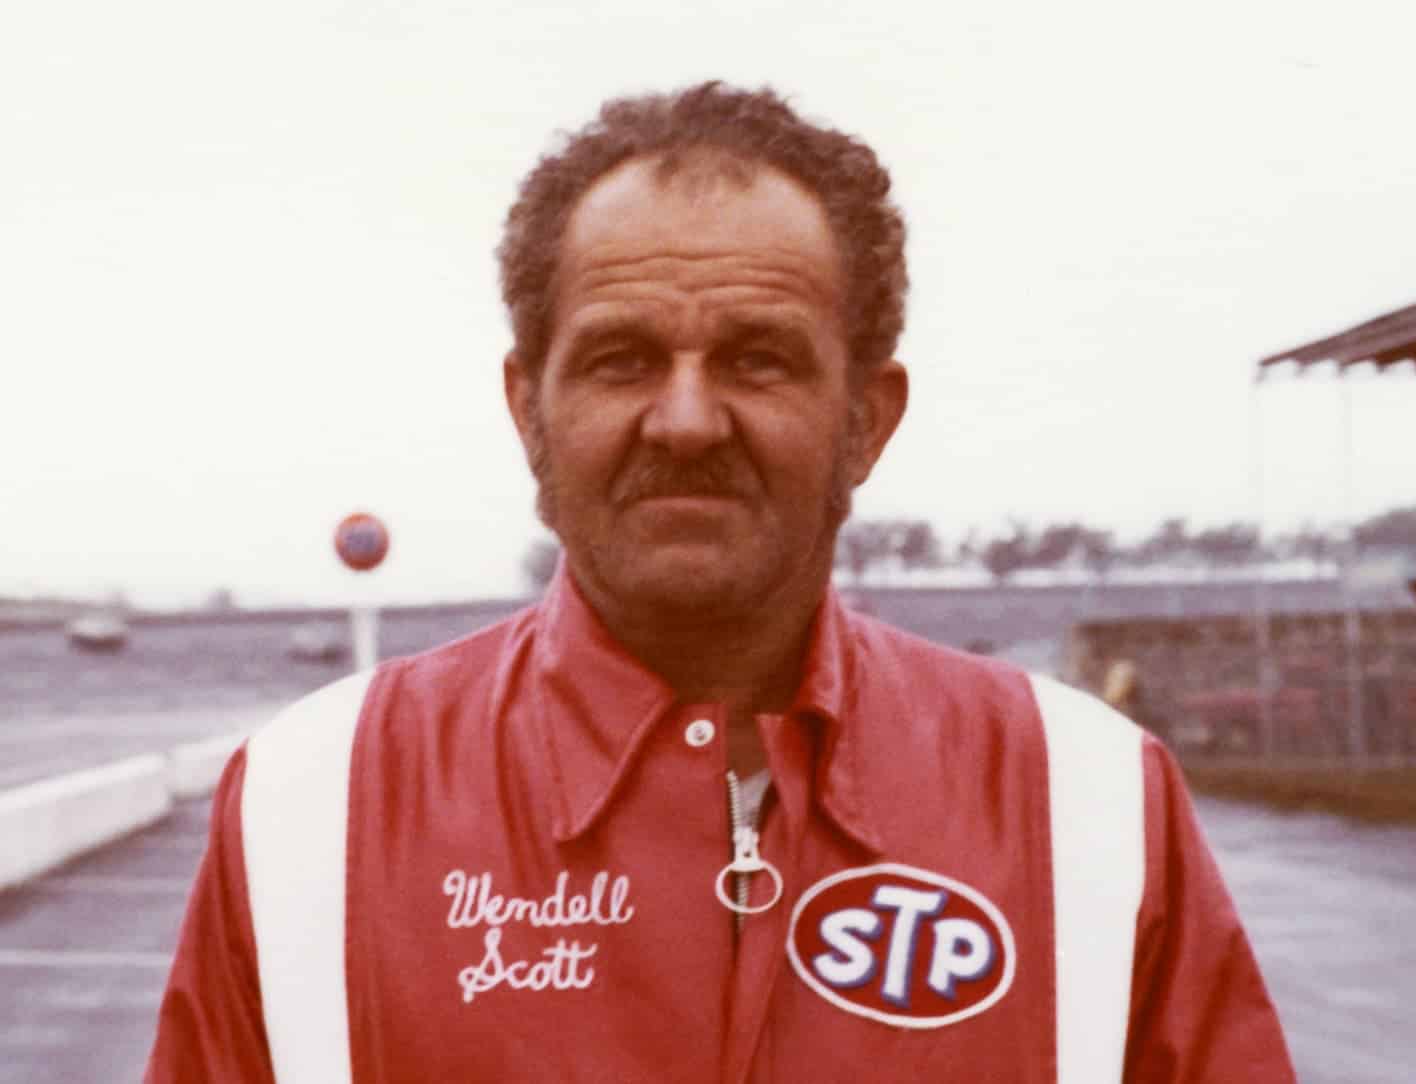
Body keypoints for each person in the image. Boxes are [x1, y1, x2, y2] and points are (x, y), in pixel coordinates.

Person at [146, 82, 1295, 1083]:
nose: (686, 420)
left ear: (867, 421)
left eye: (758, 357)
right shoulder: (311, 806)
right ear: (527, 410)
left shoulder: (1090, 802)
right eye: (620, 357)